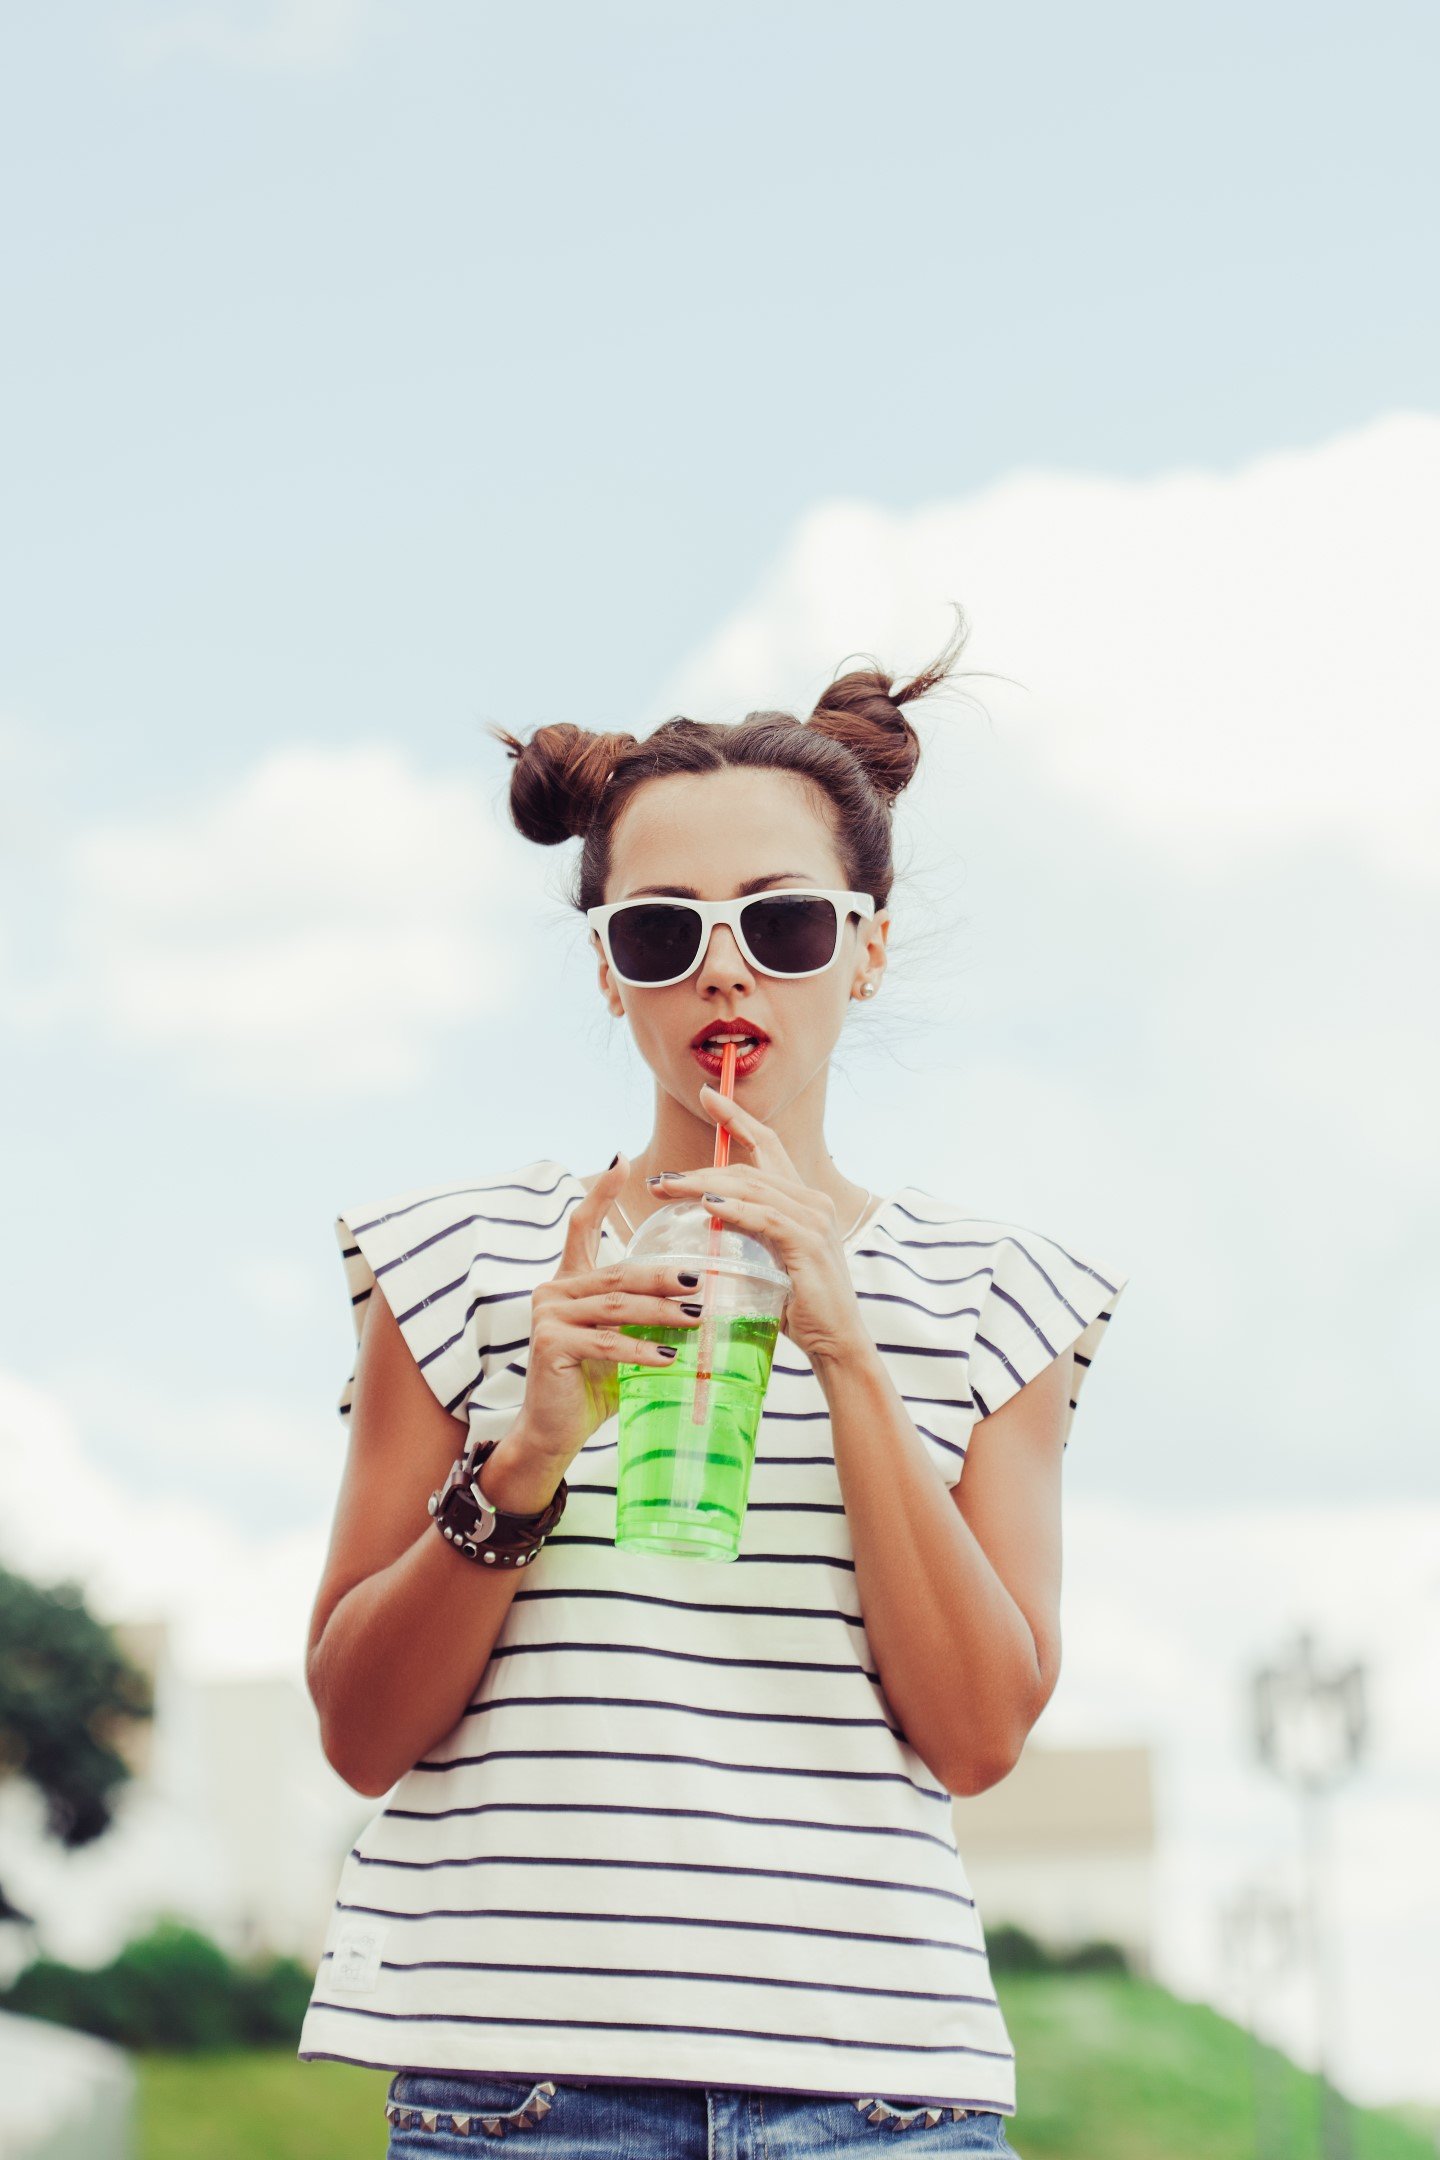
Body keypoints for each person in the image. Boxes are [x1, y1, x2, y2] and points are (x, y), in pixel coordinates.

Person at [298, 610, 1131, 2157]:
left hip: (883, 2098)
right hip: (515, 2095)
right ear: (611, 976)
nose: (723, 972)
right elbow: (358, 1731)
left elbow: (976, 1736)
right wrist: (528, 1453)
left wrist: (847, 1353)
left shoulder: (1004, 1299)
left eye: (785, 925)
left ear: (866, 950)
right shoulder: (449, 1265)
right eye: (660, 932)